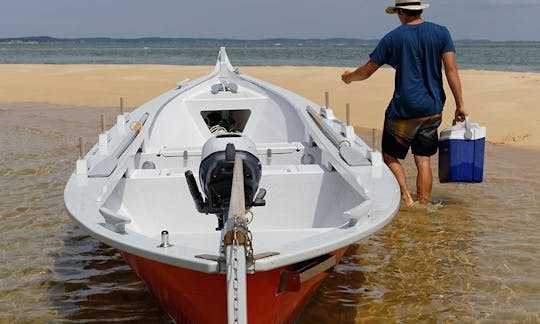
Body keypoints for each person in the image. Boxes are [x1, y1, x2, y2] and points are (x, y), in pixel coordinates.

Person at [341, 0, 467, 207]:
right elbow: (451, 70)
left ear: (401, 12)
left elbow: (367, 71)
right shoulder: (441, 32)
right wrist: (460, 103)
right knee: (423, 159)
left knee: (389, 155)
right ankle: (424, 204)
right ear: (418, 10)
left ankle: (407, 198)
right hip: (432, 107)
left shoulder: (393, 38)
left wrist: (348, 77)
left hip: (403, 109)